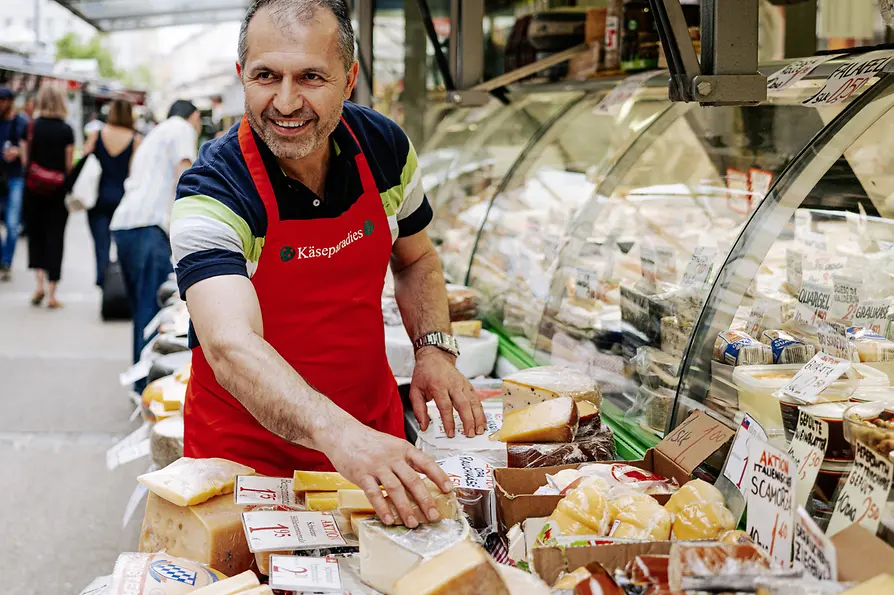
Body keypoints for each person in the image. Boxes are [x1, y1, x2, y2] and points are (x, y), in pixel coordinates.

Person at [171, 0, 485, 528]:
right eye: (266, 76)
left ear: (349, 78)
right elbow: (229, 345)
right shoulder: (214, 189)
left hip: (373, 437)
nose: (286, 102)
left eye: (311, 77)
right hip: (246, 459)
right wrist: (338, 434)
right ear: (240, 76)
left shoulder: (385, 148)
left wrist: (434, 350)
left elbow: (416, 259)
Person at [111, 100, 200, 384]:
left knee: (142, 307)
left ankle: (139, 380)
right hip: (149, 225)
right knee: (154, 310)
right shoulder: (182, 129)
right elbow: (186, 176)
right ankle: (147, 385)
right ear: (193, 116)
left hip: (125, 223)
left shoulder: (154, 135)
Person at [22, 85, 74, 308]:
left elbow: (25, 160)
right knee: (55, 238)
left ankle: (39, 285)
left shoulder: (31, 126)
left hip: (34, 190)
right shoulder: (66, 130)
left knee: (36, 237)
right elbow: (68, 164)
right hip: (57, 192)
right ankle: (52, 294)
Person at [82, 99, 141, 287]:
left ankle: (103, 282)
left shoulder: (96, 134)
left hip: (97, 199)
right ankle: (119, 284)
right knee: (123, 246)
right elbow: (136, 172)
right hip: (122, 199)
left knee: (101, 246)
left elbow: (84, 160)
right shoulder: (135, 139)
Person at [0, 86, 28, 281]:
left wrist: (18, 152)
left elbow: (28, 151)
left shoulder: (21, 123)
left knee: (12, 223)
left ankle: (6, 261)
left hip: (15, 176)